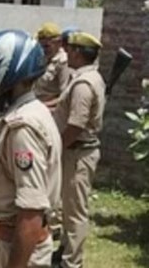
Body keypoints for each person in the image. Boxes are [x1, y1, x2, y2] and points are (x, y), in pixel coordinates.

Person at [0, 30, 62, 268]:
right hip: (2, 241)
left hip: (17, 250)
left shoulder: (24, 126)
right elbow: (14, 180)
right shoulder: (28, 112)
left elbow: (31, 214)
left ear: (10, 70)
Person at [51, 32, 105, 268]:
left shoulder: (84, 83)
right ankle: (64, 250)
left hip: (77, 152)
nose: (67, 54)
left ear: (78, 53)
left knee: (74, 211)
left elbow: (76, 124)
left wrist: (58, 146)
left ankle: (71, 262)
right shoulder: (88, 77)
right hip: (77, 151)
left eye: (70, 49)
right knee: (68, 206)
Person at [34, 22, 72, 103]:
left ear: (58, 43)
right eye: (41, 46)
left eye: (47, 46)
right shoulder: (42, 58)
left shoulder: (63, 62)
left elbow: (65, 95)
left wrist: (46, 106)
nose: (43, 50)